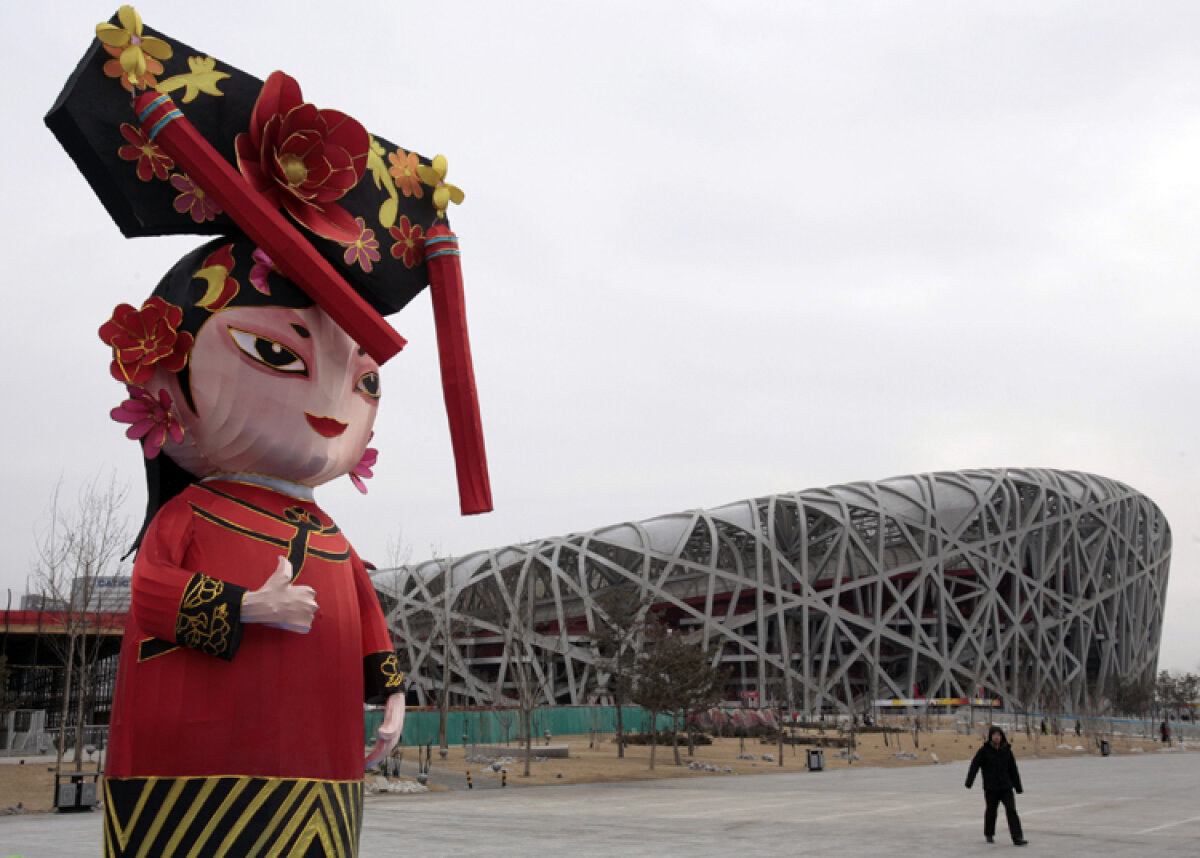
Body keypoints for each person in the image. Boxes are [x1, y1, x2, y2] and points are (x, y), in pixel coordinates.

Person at [965, 726, 1028, 846]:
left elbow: (1013, 770)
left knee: (1011, 811)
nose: (997, 737)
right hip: (991, 788)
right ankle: (989, 833)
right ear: (990, 737)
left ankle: (1017, 837)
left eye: (999, 735)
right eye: (994, 735)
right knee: (991, 811)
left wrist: (1018, 787)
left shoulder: (1007, 751)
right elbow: (975, 766)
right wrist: (969, 782)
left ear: (1002, 736)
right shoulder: (984, 751)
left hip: (1006, 787)